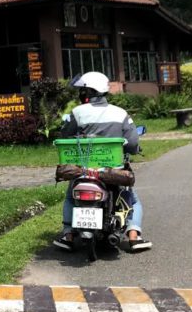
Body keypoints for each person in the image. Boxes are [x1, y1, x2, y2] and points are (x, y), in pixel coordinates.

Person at [53, 71, 152, 253]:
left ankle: (68, 235)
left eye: (82, 91)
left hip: (83, 170)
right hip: (112, 170)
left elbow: (65, 136)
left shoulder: (77, 113)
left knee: (70, 197)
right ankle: (134, 237)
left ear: (87, 92)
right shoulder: (120, 113)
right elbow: (131, 143)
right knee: (132, 200)